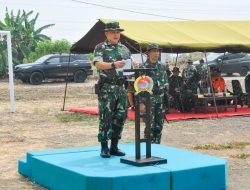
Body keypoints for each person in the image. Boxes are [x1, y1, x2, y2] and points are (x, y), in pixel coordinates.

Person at [93, 21, 131, 158]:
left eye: (118, 32)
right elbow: (97, 64)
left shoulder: (125, 49)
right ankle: (104, 147)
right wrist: (113, 65)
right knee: (106, 117)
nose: (116, 35)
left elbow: (128, 67)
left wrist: (134, 66)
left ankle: (114, 146)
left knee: (120, 117)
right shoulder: (100, 47)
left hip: (121, 88)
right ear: (106, 33)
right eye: (113, 32)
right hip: (107, 88)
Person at [139, 43, 168, 144]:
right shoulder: (143, 67)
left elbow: (165, 83)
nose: (157, 53)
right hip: (149, 99)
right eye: (154, 51)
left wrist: (166, 100)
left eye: (158, 51)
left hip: (160, 99)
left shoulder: (162, 66)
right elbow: (140, 87)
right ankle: (148, 147)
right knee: (149, 124)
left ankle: (157, 146)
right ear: (148, 53)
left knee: (159, 124)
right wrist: (141, 103)